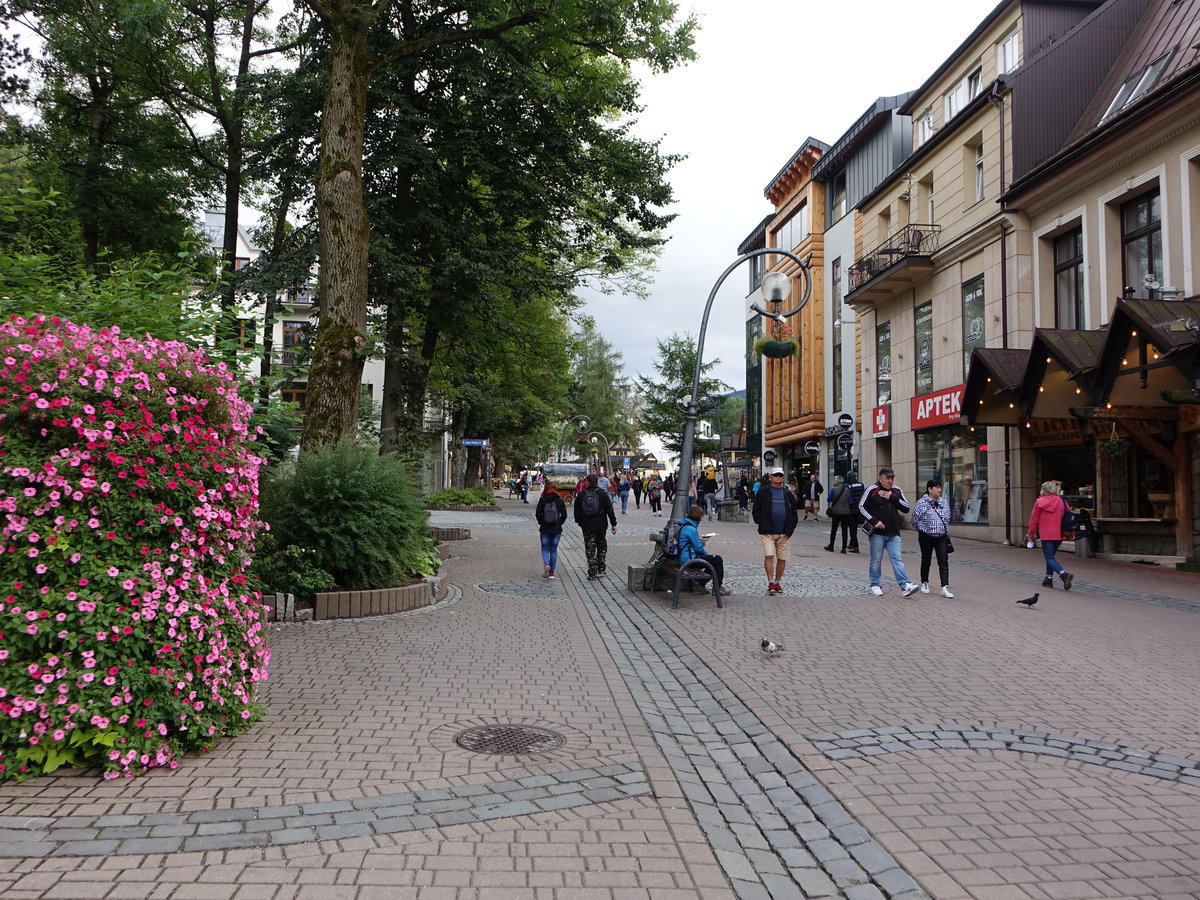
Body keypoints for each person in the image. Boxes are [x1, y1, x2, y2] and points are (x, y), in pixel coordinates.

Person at [859, 467, 920, 597]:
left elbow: (906, 508)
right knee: (876, 560)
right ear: (880, 478)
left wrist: (892, 497)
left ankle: (905, 585)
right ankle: (875, 584)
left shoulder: (896, 491)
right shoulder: (871, 490)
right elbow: (861, 507)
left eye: (892, 478)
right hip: (877, 534)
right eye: (887, 478)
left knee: (897, 559)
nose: (890, 481)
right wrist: (874, 521)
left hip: (894, 533)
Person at [751, 466, 799, 595]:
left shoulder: (788, 494)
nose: (778, 477)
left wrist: (790, 529)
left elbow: (794, 513)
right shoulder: (763, 491)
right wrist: (760, 521)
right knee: (769, 555)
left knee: (782, 558)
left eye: (780, 475)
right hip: (767, 531)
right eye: (776, 475)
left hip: (784, 532)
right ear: (771, 477)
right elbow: (756, 509)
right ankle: (770, 582)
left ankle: (777, 582)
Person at [1027, 480, 1074, 590]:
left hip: (1046, 534)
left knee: (1049, 558)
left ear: (1043, 490)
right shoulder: (1063, 502)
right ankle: (1048, 579)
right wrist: (1071, 533)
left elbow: (1034, 520)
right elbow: (1068, 519)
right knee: (1051, 558)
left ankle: (1064, 574)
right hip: (1059, 534)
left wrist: (1030, 534)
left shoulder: (1039, 502)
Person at [911, 479, 954, 597]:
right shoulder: (921, 503)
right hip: (926, 536)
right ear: (930, 489)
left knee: (943, 561)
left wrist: (943, 529)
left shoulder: (944, 502)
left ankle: (944, 586)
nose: (939, 490)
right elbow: (914, 520)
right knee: (926, 559)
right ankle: (924, 582)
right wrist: (923, 529)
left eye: (940, 487)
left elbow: (948, 516)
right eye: (937, 487)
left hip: (941, 536)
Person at [677, 504, 730, 596]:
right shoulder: (691, 528)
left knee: (713, 561)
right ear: (699, 516)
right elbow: (699, 549)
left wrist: (699, 539)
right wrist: (706, 555)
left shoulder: (684, 524)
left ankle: (700, 583)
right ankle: (717, 588)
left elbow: (689, 541)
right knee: (717, 559)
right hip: (688, 559)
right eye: (702, 516)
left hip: (684, 557)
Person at [574, 473, 617, 580]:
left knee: (590, 547)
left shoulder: (582, 494)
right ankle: (601, 567)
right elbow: (609, 509)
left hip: (587, 525)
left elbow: (577, 510)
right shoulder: (602, 494)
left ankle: (592, 572)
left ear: (587, 482)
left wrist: (580, 522)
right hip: (601, 524)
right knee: (601, 545)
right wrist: (613, 523)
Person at [535, 482, 568, 579]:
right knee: (553, 550)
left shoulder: (543, 499)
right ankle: (552, 573)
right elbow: (564, 515)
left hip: (545, 528)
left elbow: (537, 513)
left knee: (545, 548)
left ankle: (546, 565)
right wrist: (559, 523)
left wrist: (541, 522)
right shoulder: (559, 500)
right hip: (556, 529)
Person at [823, 475, 855, 554]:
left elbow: (829, 499)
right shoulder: (847, 490)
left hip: (836, 512)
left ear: (837, 481)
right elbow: (850, 502)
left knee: (834, 530)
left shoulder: (834, 489)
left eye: (835, 480)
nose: (834, 481)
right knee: (844, 531)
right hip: (845, 512)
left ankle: (831, 546)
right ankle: (843, 548)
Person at [841, 471, 864, 552]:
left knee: (852, 529)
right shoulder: (861, 485)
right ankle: (851, 543)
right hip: (859, 510)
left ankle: (856, 547)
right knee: (854, 527)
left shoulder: (846, 486)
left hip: (850, 510)